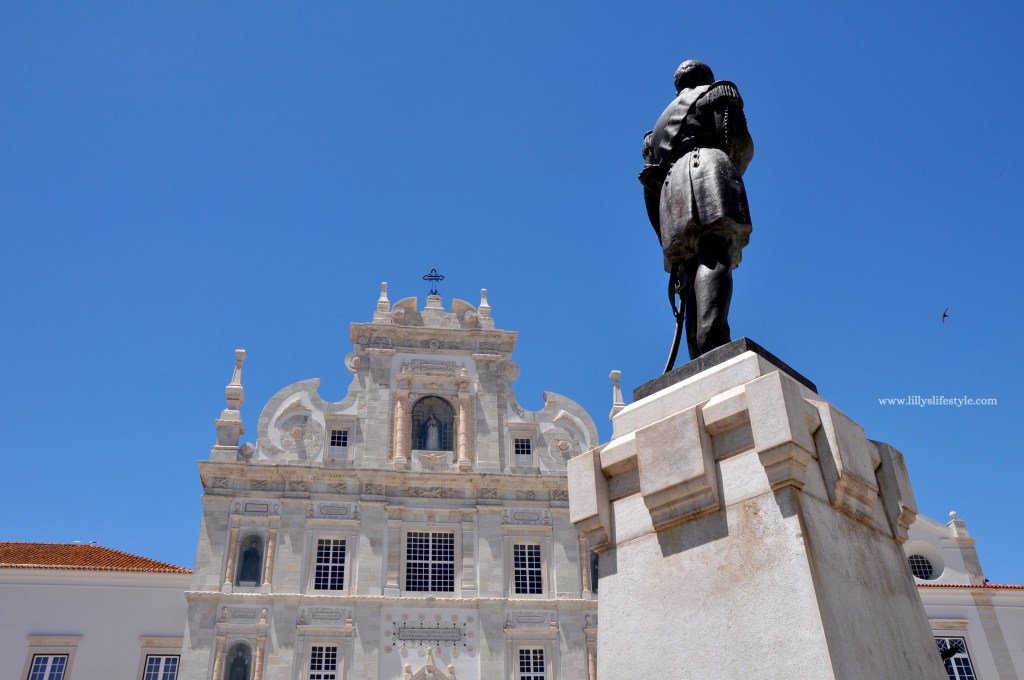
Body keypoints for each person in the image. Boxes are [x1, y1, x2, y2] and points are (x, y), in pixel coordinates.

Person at [640, 60, 754, 366]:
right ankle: (714, 342)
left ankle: (698, 355)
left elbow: (648, 184)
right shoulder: (717, 92)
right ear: (706, 77)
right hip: (707, 170)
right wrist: (731, 171)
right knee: (716, 251)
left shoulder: (657, 128)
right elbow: (737, 140)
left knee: (689, 273)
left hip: (670, 191)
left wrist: (662, 231)